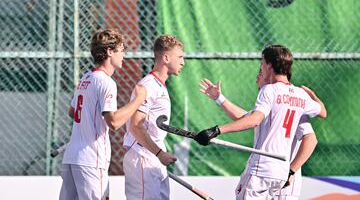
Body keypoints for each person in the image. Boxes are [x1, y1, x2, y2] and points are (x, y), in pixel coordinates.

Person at [195, 45, 327, 199]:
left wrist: (216, 130)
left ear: (269, 65)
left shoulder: (270, 91)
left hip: (262, 170)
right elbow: (323, 112)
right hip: (281, 174)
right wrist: (219, 98)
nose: (260, 69)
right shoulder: (300, 96)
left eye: (262, 63)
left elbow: (253, 120)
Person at [59, 28, 147, 200]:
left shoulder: (86, 77)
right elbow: (113, 122)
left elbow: (72, 111)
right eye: (121, 51)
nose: (123, 56)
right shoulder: (106, 82)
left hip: (72, 158)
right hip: (92, 160)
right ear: (109, 51)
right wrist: (138, 100)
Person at [122, 35, 185, 200]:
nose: (183, 62)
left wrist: (159, 154)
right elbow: (136, 126)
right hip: (143, 156)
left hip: (154, 157)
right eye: (179, 57)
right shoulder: (148, 85)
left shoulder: (159, 86)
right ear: (165, 58)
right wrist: (159, 154)